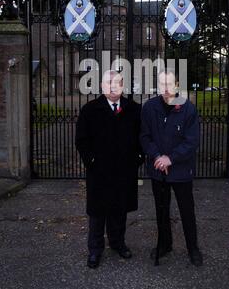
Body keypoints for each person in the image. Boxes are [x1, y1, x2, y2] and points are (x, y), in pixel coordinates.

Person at [75, 70, 143, 269]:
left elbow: (142, 136)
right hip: (99, 171)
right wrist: (92, 161)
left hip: (124, 170)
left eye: (117, 82)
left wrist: (138, 158)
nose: (113, 86)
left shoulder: (134, 109)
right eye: (109, 82)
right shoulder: (90, 110)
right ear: (102, 86)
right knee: (98, 213)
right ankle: (95, 250)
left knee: (120, 210)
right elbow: (81, 140)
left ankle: (117, 243)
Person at [140, 69, 203, 267]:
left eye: (169, 84)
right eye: (161, 85)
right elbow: (144, 137)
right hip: (158, 170)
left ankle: (193, 248)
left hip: (181, 171)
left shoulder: (188, 109)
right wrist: (158, 157)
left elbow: (191, 142)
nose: (165, 89)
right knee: (161, 210)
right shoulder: (149, 107)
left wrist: (171, 158)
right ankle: (165, 244)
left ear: (177, 85)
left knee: (187, 211)